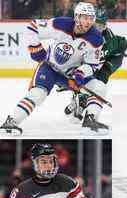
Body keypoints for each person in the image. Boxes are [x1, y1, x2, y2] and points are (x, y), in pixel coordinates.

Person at [0, 2, 109, 135]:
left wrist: (80, 73)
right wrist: (35, 47)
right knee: (38, 94)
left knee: (99, 87)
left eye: (91, 18)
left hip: (71, 75)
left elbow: (92, 64)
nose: (88, 21)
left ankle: (89, 121)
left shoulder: (96, 38)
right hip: (49, 68)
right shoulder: (61, 24)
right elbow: (33, 26)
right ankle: (11, 122)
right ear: (77, 17)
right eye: (85, 17)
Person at [63, 8, 127, 121]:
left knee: (99, 80)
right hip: (97, 59)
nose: (98, 28)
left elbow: (95, 63)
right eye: (96, 25)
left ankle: (90, 109)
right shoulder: (83, 33)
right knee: (82, 75)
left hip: (112, 59)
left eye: (101, 26)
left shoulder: (108, 39)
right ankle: (79, 100)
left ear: (105, 26)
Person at [5, 143, 99, 198]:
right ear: (34, 163)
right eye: (44, 162)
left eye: (51, 161)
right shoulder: (21, 191)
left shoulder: (66, 182)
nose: (49, 165)